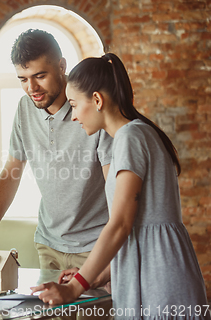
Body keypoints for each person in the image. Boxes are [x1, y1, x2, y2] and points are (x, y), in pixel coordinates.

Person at [31, 53, 210, 318]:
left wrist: (73, 290)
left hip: (159, 277)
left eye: (74, 105)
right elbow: (136, 229)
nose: (74, 117)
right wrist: (92, 276)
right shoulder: (138, 134)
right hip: (151, 268)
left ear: (97, 100)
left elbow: (121, 224)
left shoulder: (130, 137)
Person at [0, 29, 113, 275]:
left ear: (62, 66)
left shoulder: (93, 107)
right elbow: (11, 172)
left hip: (96, 247)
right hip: (48, 245)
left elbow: (116, 187)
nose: (31, 87)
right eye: (23, 79)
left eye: (40, 75)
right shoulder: (25, 108)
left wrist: (116, 250)